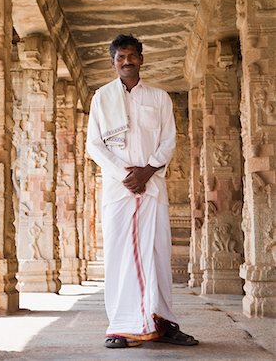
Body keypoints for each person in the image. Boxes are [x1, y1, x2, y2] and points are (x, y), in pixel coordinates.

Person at [86, 34, 199, 349]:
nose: (127, 62)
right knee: (119, 255)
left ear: (141, 59)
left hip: (152, 187)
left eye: (132, 56)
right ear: (113, 62)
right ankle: (120, 326)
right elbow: (94, 144)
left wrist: (147, 171)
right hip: (118, 188)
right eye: (121, 57)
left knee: (157, 254)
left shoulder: (159, 97)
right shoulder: (102, 98)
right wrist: (127, 174)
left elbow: (168, 141)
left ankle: (164, 323)